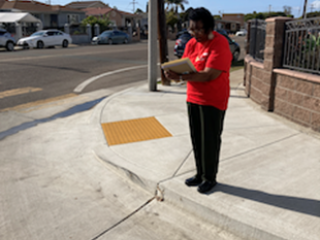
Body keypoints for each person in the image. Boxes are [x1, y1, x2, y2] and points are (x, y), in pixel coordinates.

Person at [164, 7, 232, 194]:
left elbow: (210, 75)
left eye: (199, 29)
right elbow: (187, 66)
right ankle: (200, 173)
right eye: (191, 29)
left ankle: (210, 177)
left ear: (210, 28)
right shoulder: (192, 44)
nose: (194, 34)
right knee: (197, 138)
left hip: (213, 99)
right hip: (193, 97)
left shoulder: (220, 44)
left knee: (209, 140)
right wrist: (174, 71)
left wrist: (182, 78)